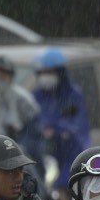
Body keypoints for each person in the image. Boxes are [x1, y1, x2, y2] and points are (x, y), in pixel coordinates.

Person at [31, 47, 91, 191]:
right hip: (43, 154)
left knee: (64, 188)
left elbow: (76, 127)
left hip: (70, 155)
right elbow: (30, 123)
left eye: (49, 72)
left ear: (60, 72)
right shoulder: (36, 96)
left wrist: (56, 130)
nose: (45, 77)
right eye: (42, 73)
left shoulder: (73, 95)